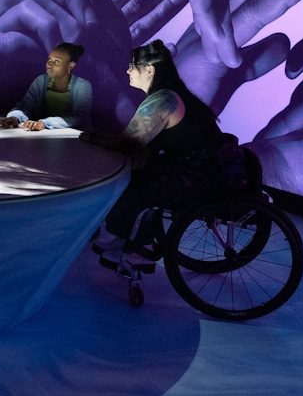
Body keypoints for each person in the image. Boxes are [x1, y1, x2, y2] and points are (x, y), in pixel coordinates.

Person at [80, 40, 245, 271]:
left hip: (207, 178)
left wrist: (90, 138)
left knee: (137, 182)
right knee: (142, 171)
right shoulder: (174, 94)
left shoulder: (163, 100)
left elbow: (127, 144)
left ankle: (130, 243)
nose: (127, 70)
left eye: (132, 66)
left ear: (149, 70)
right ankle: (135, 240)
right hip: (214, 169)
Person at [0, 42, 93, 131]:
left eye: (56, 61)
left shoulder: (83, 86)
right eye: (49, 59)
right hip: (44, 139)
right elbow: (26, 106)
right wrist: (15, 117)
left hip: (75, 140)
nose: (49, 65)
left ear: (70, 65)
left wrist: (45, 123)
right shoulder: (41, 81)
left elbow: (79, 117)